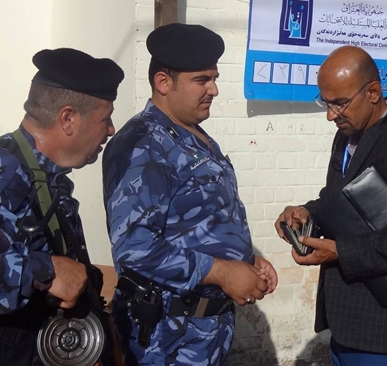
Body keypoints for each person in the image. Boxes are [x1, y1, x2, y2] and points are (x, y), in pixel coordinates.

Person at [0, 48, 124, 366]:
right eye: (105, 118)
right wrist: (41, 271)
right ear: (68, 118)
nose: (110, 130)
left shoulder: (42, 174)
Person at [102, 23, 277, 366]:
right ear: (163, 83)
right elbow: (134, 248)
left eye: (214, 78)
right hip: (166, 336)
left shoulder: (195, 135)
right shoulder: (142, 146)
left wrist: (246, 260)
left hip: (207, 329)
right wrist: (223, 272)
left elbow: (202, 221)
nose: (214, 89)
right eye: (202, 80)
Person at [275, 46, 387, 366]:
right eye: (325, 102)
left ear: (373, 92)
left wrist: (340, 251)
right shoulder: (346, 136)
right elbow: (337, 199)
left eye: (340, 103)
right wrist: (307, 212)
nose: (330, 115)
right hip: (346, 319)